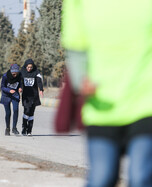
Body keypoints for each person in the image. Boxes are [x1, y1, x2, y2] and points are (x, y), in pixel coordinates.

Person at [61, 1, 152, 187]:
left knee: (141, 177)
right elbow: (75, 43)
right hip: (101, 104)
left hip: (145, 101)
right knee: (101, 178)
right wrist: (81, 80)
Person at [21, 59, 44, 136]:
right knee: (26, 111)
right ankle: (24, 128)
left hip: (34, 96)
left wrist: (41, 89)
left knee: (31, 113)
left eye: (31, 67)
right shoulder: (22, 71)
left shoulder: (36, 71)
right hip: (26, 95)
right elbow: (20, 81)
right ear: (26, 66)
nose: (29, 69)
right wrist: (20, 88)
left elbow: (39, 81)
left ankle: (29, 130)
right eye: (28, 67)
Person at [0, 64, 22, 136]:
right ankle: (7, 128)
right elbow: (2, 87)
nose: (14, 75)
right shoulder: (5, 76)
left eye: (16, 73)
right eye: (13, 73)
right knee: (8, 112)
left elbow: (21, 84)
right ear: (11, 71)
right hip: (6, 95)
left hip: (15, 95)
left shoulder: (20, 76)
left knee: (16, 110)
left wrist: (20, 88)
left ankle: (14, 128)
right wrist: (9, 90)